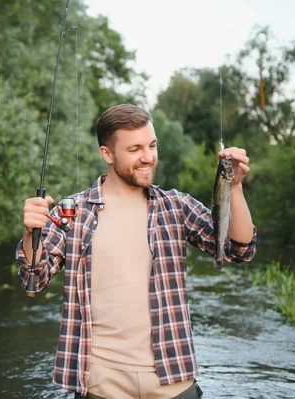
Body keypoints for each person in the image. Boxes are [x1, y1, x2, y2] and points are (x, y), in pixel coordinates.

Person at [15, 104, 257, 398]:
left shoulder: (176, 206)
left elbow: (239, 249)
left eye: (152, 145)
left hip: (173, 381)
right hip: (102, 385)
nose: (148, 157)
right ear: (107, 153)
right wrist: (31, 233)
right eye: (135, 149)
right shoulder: (72, 211)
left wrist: (234, 188)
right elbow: (34, 277)